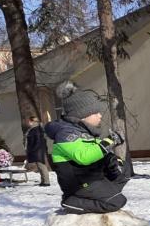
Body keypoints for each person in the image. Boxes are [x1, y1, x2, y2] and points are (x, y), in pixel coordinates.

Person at [45, 81, 128, 214]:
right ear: (82, 115)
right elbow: (84, 157)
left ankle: (104, 194)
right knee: (116, 201)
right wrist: (110, 141)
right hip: (78, 184)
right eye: (96, 113)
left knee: (122, 174)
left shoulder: (84, 132)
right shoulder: (65, 135)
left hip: (91, 178)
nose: (100, 115)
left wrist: (111, 160)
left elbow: (97, 151)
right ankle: (71, 201)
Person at [24, 116, 51, 187]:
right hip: (37, 150)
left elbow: (38, 141)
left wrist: (33, 149)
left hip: (37, 150)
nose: (28, 123)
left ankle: (46, 182)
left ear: (32, 121)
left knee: (41, 166)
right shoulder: (34, 129)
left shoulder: (36, 129)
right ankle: (43, 181)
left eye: (29, 121)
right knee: (40, 166)